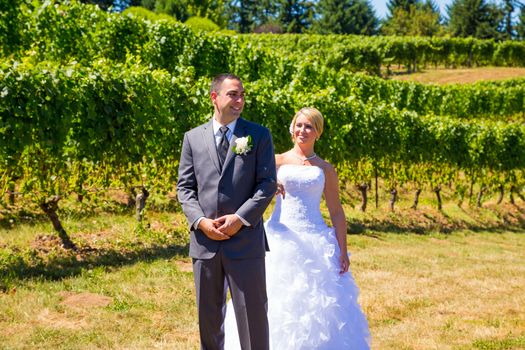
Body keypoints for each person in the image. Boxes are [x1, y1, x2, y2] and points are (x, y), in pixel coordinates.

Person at [224, 107, 371, 349]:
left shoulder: (325, 169)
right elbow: (246, 187)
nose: (303, 130)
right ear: (292, 129)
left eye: (309, 126)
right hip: (280, 237)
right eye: (299, 125)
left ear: (318, 133)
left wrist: (343, 250)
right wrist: (269, 187)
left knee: (319, 302)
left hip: (315, 238)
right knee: (272, 296)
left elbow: (336, 211)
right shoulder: (275, 161)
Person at [177, 73, 277, 350]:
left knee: (253, 319)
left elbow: (267, 183)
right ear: (214, 97)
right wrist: (200, 222)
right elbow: (185, 188)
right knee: (208, 320)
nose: (240, 100)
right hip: (205, 243)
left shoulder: (258, 135)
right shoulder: (192, 138)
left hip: (245, 241)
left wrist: (240, 219)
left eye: (242, 95)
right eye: (233, 94)